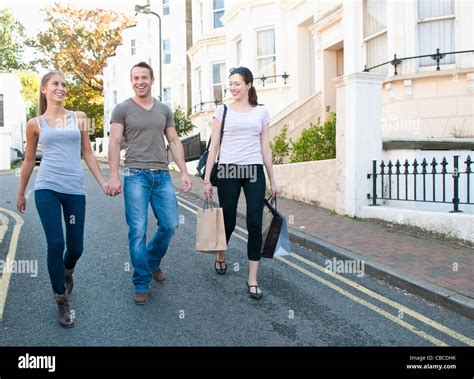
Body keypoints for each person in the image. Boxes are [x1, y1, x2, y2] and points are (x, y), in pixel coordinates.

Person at [16, 70, 109, 328]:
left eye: (64, 84)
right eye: (55, 84)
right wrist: (21, 192)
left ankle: (68, 270)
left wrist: (102, 182)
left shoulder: (79, 118)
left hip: (74, 189)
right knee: (55, 244)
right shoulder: (35, 124)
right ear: (44, 89)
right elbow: (27, 161)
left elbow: (87, 153)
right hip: (47, 187)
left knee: (76, 247)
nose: (61, 88)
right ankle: (61, 299)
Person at [107, 62, 191, 305]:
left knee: (170, 224)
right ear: (131, 80)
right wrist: (113, 177)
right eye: (135, 77)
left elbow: (174, 141)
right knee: (138, 231)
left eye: (144, 77)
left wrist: (184, 172)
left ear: (152, 80)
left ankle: (152, 260)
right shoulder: (122, 109)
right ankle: (142, 281)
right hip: (135, 176)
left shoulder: (164, 109)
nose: (139, 81)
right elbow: (114, 142)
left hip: (162, 175)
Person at [203, 66, 278, 300]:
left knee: (255, 223)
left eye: (238, 83)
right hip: (228, 170)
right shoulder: (222, 110)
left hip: (254, 170)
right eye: (231, 83)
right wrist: (207, 179)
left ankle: (252, 278)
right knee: (228, 221)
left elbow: (265, 147)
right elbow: (213, 146)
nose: (233, 87)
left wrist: (273, 180)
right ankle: (221, 255)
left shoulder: (262, 112)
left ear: (249, 85)